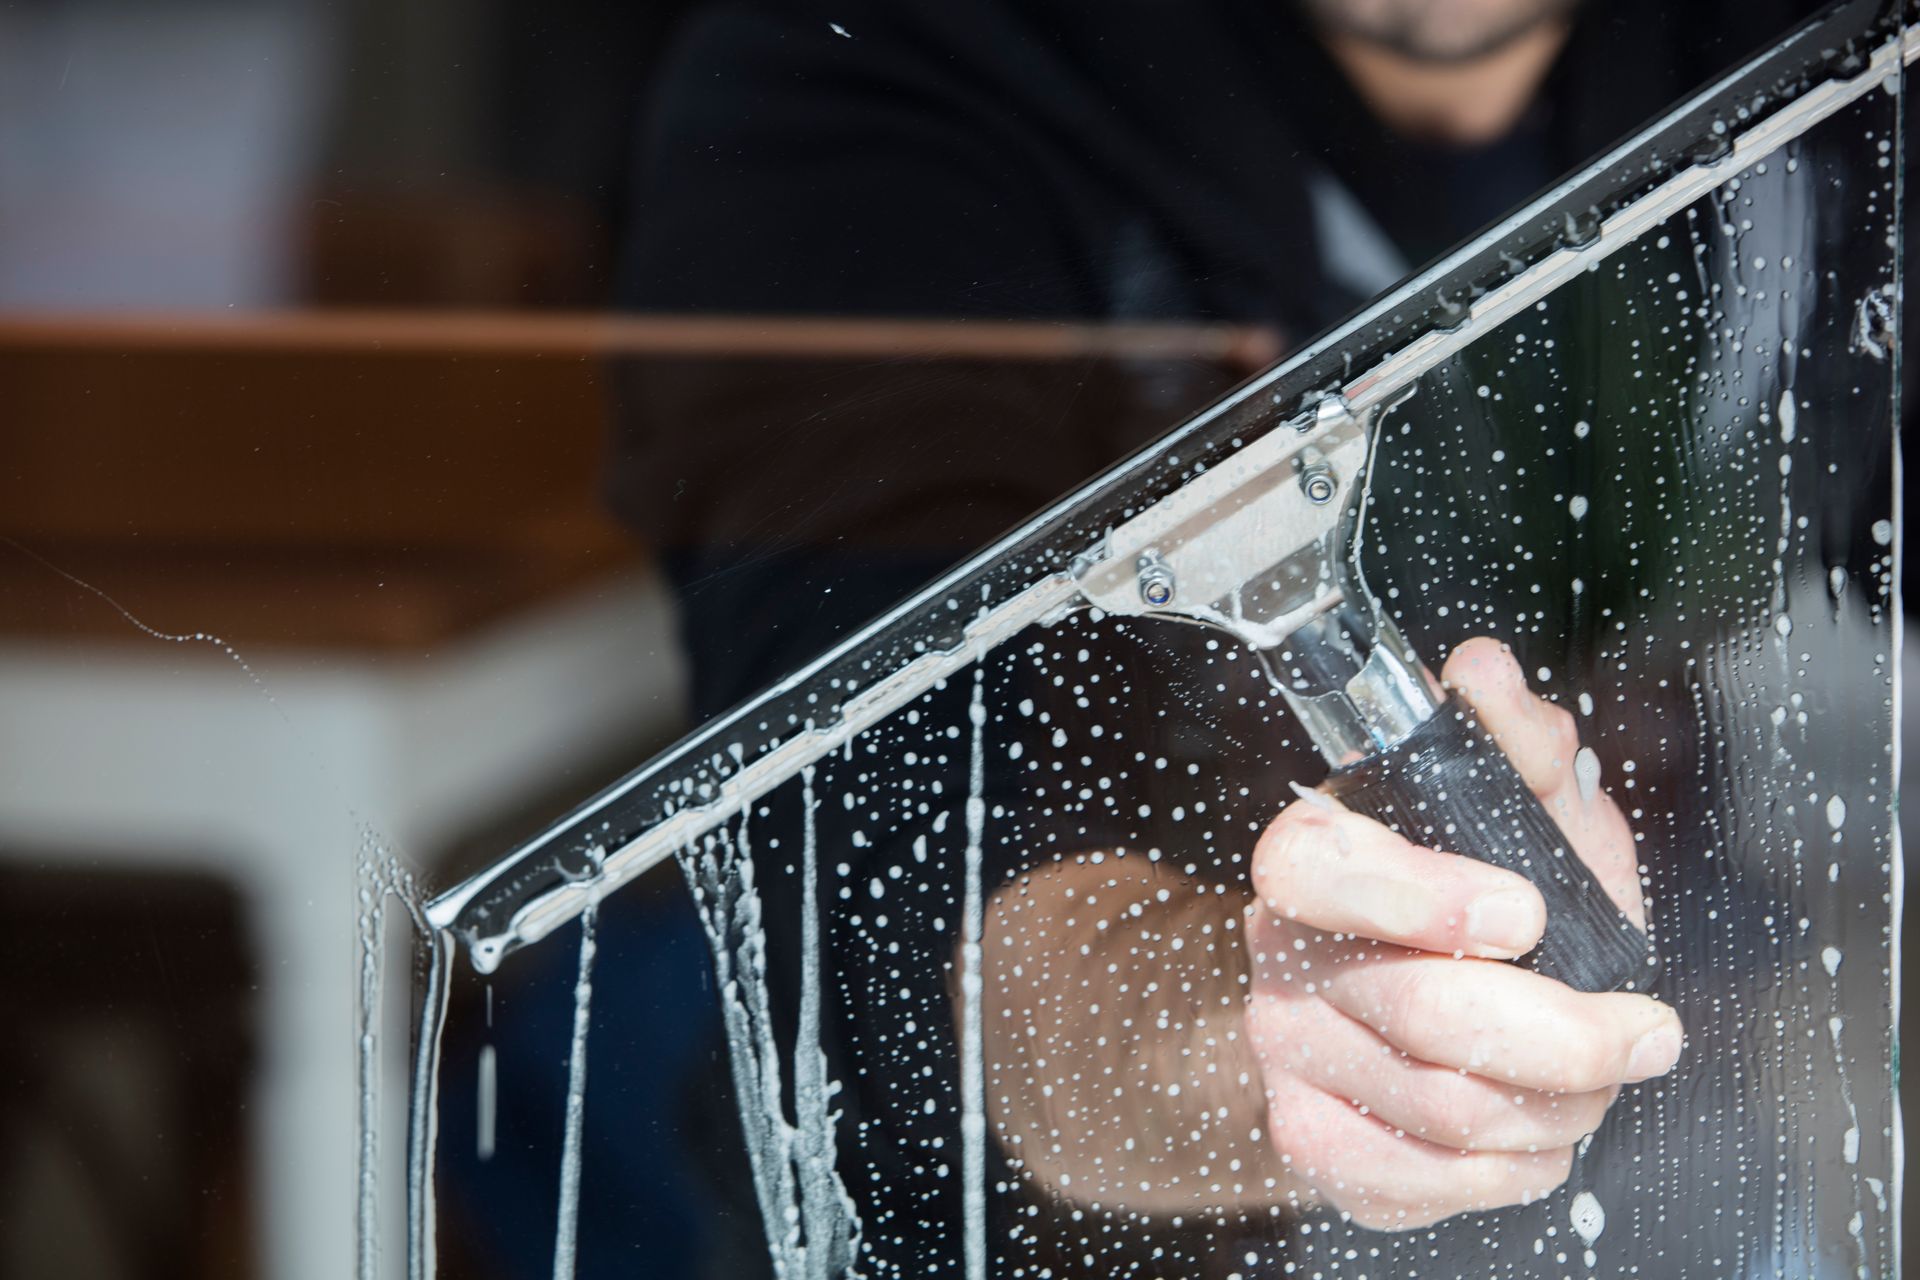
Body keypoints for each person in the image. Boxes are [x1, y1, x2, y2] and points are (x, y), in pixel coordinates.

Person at [604, 0, 1859, 1270]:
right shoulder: (869, 65)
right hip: (1048, 1231)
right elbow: (884, 853)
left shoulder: (1813, 58)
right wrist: (1267, 1034)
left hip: (1684, 1148)